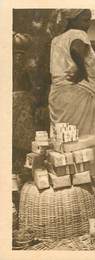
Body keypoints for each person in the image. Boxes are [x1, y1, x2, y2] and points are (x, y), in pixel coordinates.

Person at [48, 9, 95, 184]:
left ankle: (62, 178)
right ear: (73, 19)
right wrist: (82, 72)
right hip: (77, 94)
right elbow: (76, 49)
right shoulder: (78, 34)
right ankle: (87, 179)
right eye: (84, 20)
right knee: (84, 139)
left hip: (58, 94)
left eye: (89, 20)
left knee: (62, 138)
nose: (87, 24)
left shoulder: (56, 39)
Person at [12, 33, 35, 176]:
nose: (18, 58)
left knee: (23, 136)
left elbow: (30, 86)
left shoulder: (26, 70)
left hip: (24, 103)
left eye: (21, 55)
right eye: (16, 55)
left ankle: (21, 166)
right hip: (13, 102)